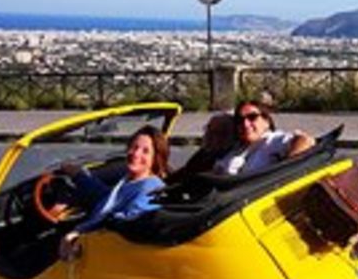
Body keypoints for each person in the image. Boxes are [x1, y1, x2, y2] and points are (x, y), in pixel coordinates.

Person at [57, 124, 170, 260]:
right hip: (95, 245)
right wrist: (79, 175)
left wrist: (77, 234)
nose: (136, 154)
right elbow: (107, 198)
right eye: (134, 147)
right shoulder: (130, 181)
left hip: (103, 252)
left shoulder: (151, 188)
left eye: (145, 151)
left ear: (155, 159)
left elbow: (126, 221)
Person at [214, 96, 316, 176]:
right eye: (240, 120)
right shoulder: (236, 150)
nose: (245, 124)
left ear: (266, 122)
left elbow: (305, 141)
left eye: (252, 117)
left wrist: (285, 171)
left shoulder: (273, 140)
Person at [166, 111, 236, 187]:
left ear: (227, 135)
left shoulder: (223, 160)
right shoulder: (204, 152)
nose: (208, 135)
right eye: (208, 129)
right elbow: (185, 171)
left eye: (215, 132)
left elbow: (193, 179)